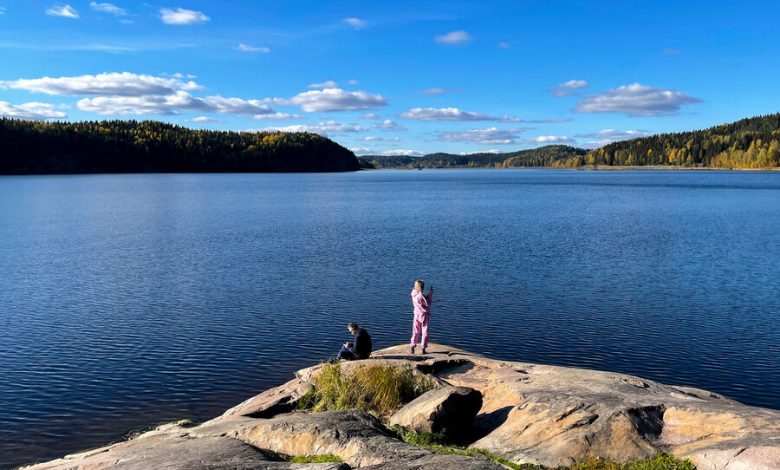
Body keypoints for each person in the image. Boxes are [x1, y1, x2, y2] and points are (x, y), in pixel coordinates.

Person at [410, 279, 433, 354]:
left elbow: (421, 300)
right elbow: (427, 303)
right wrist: (430, 295)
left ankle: (412, 346)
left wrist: (426, 296)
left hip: (416, 314)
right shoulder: (421, 295)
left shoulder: (413, 293)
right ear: (422, 287)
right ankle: (423, 348)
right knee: (424, 330)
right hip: (424, 315)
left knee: (415, 330)